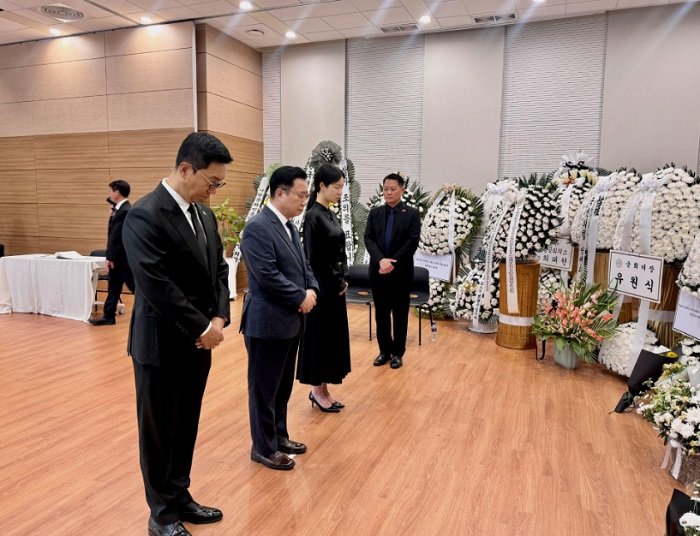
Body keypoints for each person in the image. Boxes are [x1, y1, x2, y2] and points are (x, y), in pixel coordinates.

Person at [122, 132, 232, 536]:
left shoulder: (203, 214)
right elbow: (155, 285)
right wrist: (202, 327)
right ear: (186, 169)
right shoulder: (145, 215)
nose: (215, 191)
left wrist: (218, 318)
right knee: (157, 432)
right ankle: (161, 513)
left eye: (220, 184)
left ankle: (180, 495)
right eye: (212, 182)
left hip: (200, 342)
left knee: (186, 424)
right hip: (159, 345)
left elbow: (219, 270)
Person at [240, 165, 319, 471]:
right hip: (267, 322)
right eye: (300, 195)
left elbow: (303, 265)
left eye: (306, 195)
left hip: (289, 321)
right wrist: (299, 296)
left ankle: (278, 436)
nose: (304, 200)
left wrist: (311, 287)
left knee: (282, 386)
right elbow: (267, 274)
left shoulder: (288, 226)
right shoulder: (259, 227)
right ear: (280, 193)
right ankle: (262, 448)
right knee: (264, 390)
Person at [297, 164, 351, 413]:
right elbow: (312, 258)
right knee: (320, 339)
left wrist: (343, 279)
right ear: (321, 186)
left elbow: (338, 252)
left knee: (332, 339)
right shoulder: (313, 216)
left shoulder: (329, 213)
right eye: (336, 187)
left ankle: (325, 388)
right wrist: (332, 282)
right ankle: (317, 390)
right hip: (322, 289)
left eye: (342, 187)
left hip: (335, 287)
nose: (340, 191)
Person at [364, 173, 421, 370]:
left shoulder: (411, 214)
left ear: (402, 190)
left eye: (392, 189)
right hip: (378, 272)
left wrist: (391, 263)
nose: (388, 192)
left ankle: (398, 353)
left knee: (399, 314)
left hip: (400, 273)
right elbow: (368, 238)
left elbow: (411, 242)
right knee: (381, 314)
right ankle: (384, 351)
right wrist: (381, 260)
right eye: (385, 189)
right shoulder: (375, 213)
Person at [90, 179, 135, 325]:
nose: (109, 194)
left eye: (111, 191)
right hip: (119, 257)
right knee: (114, 287)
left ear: (117, 192)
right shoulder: (120, 209)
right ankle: (108, 316)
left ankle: (152, 312)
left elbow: (117, 237)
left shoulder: (125, 210)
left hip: (122, 258)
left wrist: (110, 257)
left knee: (135, 287)